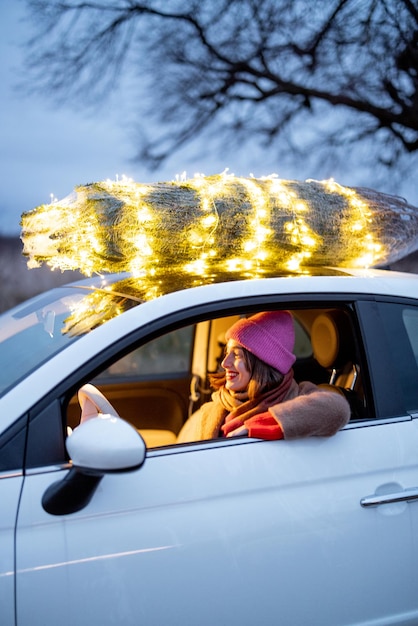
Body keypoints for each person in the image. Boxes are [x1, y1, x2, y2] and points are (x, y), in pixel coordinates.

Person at [177, 310, 350, 443]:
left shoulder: (296, 396)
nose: (224, 363)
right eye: (227, 353)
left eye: (236, 355)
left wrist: (258, 425)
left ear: (262, 363)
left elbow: (338, 409)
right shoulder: (212, 410)